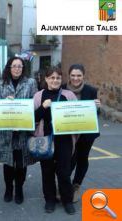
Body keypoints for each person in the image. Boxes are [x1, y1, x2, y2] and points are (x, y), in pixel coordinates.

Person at [33, 67, 77, 215]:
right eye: (52, 77)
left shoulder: (68, 95)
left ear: (61, 80)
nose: (55, 80)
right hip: (45, 139)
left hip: (64, 140)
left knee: (64, 173)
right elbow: (33, 119)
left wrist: (94, 109)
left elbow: (78, 116)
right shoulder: (39, 96)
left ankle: (67, 201)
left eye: (58, 78)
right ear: (46, 79)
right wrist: (43, 107)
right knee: (47, 172)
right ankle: (50, 200)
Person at [0, 57, 37, 204]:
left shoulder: (30, 82)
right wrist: (4, 103)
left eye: (20, 66)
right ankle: (8, 189)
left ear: (23, 68)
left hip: (23, 130)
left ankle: (19, 189)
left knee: (21, 163)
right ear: (9, 67)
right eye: (14, 66)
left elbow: (34, 103)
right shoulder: (0, 83)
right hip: (6, 131)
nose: (17, 69)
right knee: (7, 163)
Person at [63, 64, 100, 203]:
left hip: (86, 133)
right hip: (68, 133)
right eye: (73, 75)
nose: (76, 78)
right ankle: (64, 185)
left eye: (79, 75)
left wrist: (97, 108)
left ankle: (76, 185)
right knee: (68, 160)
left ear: (83, 76)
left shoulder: (91, 90)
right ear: (69, 76)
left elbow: (95, 114)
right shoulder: (63, 89)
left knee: (82, 159)